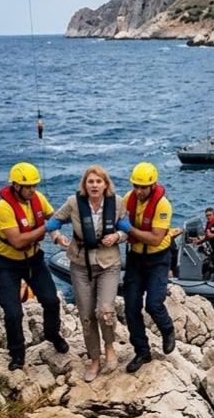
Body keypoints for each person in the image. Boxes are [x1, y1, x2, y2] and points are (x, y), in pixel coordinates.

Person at [47, 166, 129, 382]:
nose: (94, 185)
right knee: (86, 316)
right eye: (90, 182)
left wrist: (118, 236)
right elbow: (52, 223)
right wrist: (57, 238)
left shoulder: (117, 203)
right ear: (85, 185)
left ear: (105, 184)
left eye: (98, 182)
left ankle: (109, 346)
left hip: (108, 263)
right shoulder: (74, 203)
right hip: (80, 264)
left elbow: (127, 229)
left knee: (105, 311)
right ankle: (94, 358)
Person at [0, 162, 67, 371]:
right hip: (8, 263)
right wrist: (46, 228)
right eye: (29, 186)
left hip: (33, 259)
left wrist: (57, 237)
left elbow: (52, 218)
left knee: (51, 300)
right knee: (13, 312)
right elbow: (17, 241)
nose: (33, 190)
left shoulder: (38, 199)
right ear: (16, 186)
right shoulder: (3, 208)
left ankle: (53, 334)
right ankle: (17, 354)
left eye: (35, 185)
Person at [119, 161, 177, 373]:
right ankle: (142, 351)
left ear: (153, 185)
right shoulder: (128, 199)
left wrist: (129, 229)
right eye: (136, 186)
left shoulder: (163, 205)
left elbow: (155, 238)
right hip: (135, 258)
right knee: (131, 306)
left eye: (143, 187)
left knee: (154, 303)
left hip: (158, 259)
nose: (138, 191)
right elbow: (116, 217)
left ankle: (168, 329)